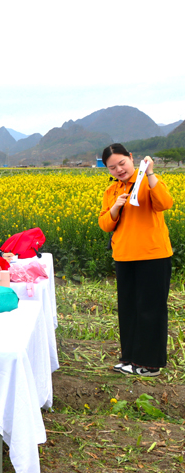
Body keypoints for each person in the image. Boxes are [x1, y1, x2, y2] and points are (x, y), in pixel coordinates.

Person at [99, 144, 173, 377]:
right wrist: (115, 208)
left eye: (122, 163)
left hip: (153, 255)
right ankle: (130, 358)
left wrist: (150, 173)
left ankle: (150, 363)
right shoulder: (112, 191)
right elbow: (105, 224)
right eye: (113, 167)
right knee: (129, 309)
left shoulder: (148, 182)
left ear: (131, 158)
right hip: (124, 256)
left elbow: (164, 203)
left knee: (151, 309)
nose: (119, 169)